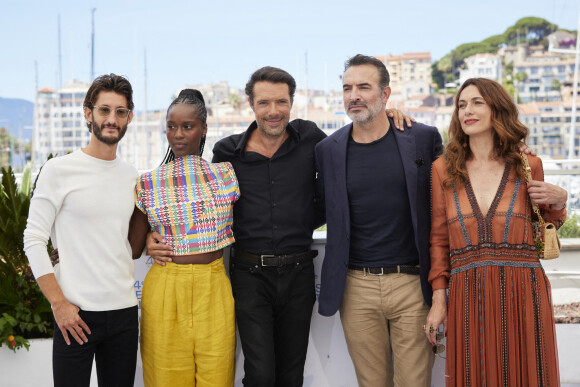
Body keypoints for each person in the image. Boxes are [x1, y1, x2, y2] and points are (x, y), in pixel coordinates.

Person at [147, 66, 412, 387]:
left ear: (291, 102)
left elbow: (352, 145)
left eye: (281, 102)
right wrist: (151, 234)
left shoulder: (311, 139)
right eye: (264, 103)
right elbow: (193, 200)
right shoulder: (228, 152)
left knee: (290, 375)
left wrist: (387, 114)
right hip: (249, 277)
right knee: (259, 374)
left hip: (299, 275)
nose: (273, 112)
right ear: (250, 104)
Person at [425, 77, 568, 386]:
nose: (467, 111)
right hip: (467, 294)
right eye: (462, 105)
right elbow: (438, 240)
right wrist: (439, 301)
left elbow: (545, 230)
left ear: (497, 109)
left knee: (529, 375)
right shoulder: (443, 169)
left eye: (478, 102)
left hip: (525, 291)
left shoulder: (528, 164)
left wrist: (560, 202)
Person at [315, 54, 443, 387]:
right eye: (346, 88)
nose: (353, 95)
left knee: (414, 382)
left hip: (413, 285)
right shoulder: (328, 149)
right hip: (355, 287)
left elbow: (449, 203)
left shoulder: (423, 138)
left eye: (363, 87)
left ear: (385, 95)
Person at [23, 74, 139, 387]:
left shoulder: (133, 177)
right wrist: (59, 304)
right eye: (104, 110)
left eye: (120, 111)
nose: (112, 119)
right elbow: (33, 239)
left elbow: (130, 239)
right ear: (88, 113)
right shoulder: (58, 170)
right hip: (75, 314)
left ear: (129, 117)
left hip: (125, 312)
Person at [129, 89, 240, 387]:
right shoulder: (148, 182)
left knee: (217, 377)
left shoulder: (226, 175)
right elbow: (133, 248)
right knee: (165, 377)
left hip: (213, 287)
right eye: (171, 126)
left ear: (204, 129)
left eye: (187, 127)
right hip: (165, 286)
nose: (178, 134)